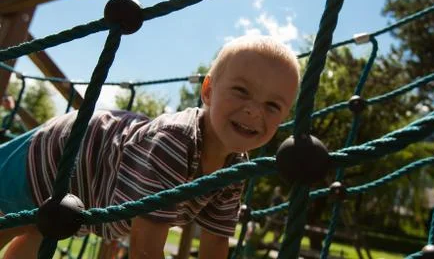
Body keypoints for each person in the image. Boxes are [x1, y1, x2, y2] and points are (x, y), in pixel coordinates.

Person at [0, 35, 301, 259]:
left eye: (272, 105)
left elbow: (216, 241)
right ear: (208, 90)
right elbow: (145, 249)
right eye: (241, 91)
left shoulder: (236, 166)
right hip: (57, 156)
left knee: (40, 232)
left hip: (87, 188)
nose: (254, 111)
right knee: (11, 222)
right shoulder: (175, 141)